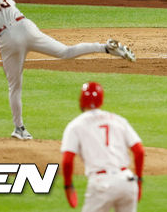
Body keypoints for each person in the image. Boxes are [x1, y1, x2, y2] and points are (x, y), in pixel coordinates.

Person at [0, 0, 136, 140]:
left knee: (14, 86)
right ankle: (105, 47)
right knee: (65, 51)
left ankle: (20, 128)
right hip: (27, 26)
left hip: (8, 38)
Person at [60, 81, 144, 211]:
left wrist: (68, 186)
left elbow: (67, 160)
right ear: (101, 100)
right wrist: (139, 181)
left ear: (81, 101)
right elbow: (139, 151)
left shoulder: (75, 125)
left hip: (102, 184)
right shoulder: (118, 120)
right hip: (127, 181)